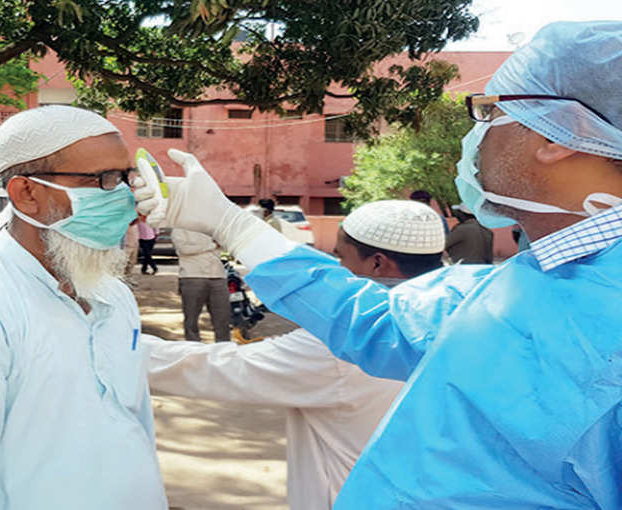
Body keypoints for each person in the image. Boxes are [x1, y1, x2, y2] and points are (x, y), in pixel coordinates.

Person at [135, 21, 622, 508]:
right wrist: (231, 224)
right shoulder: (521, 282)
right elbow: (370, 320)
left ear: (560, 133)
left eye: (491, 111)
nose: (478, 133)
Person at [145, 200, 444, 510]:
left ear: (378, 264)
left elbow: (217, 368)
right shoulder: (458, 315)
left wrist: (119, 348)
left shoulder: (346, 343)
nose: (337, 270)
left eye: (340, 258)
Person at [0, 105, 167, 510]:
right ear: (27, 193)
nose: (126, 196)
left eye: (126, 177)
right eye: (105, 180)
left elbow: (136, 427)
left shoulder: (113, 295)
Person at [171, 228, 231, 342]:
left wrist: (211, 245)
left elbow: (225, 244)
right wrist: (212, 245)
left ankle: (223, 350)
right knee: (191, 320)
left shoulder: (212, 226)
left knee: (223, 319)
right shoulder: (179, 228)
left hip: (218, 275)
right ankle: (194, 350)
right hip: (192, 276)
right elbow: (184, 249)